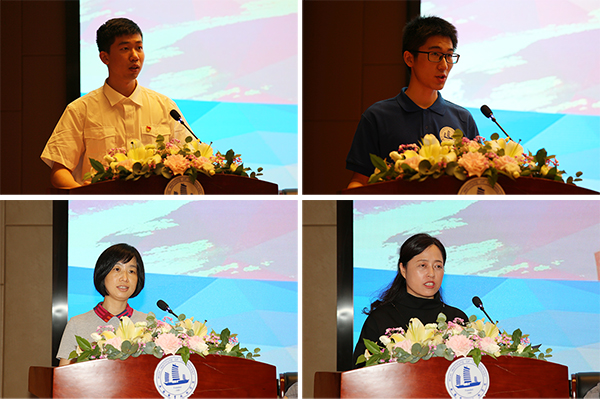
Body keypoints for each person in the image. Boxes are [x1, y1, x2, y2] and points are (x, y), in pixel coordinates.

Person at [41, 18, 188, 189]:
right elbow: (60, 171)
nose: (135, 56)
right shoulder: (80, 110)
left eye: (139, 47)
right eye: (125, 49)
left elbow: (189, 159)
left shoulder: (165, 106)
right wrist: (85, 194)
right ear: (105, 57)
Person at [346, 16, 480, 188]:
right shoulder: (378, 117)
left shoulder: (462, 118)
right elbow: (359, 181)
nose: (444, 65)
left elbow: (476, 183)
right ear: (409, 58)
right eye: (435, 54)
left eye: (448, 55)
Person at [352, 233, 467, 368]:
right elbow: (359, 372)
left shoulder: (456, 320)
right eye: (423, 265)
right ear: (403, 269)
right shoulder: (381, 319)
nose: (431, 273)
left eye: (438, 266)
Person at [57, 243, 147, 366]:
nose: (125, 278)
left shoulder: (148, 325)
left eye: (131, 271)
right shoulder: (77, 324)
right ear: (103, 273)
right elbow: (63, 374)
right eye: (117, 269)